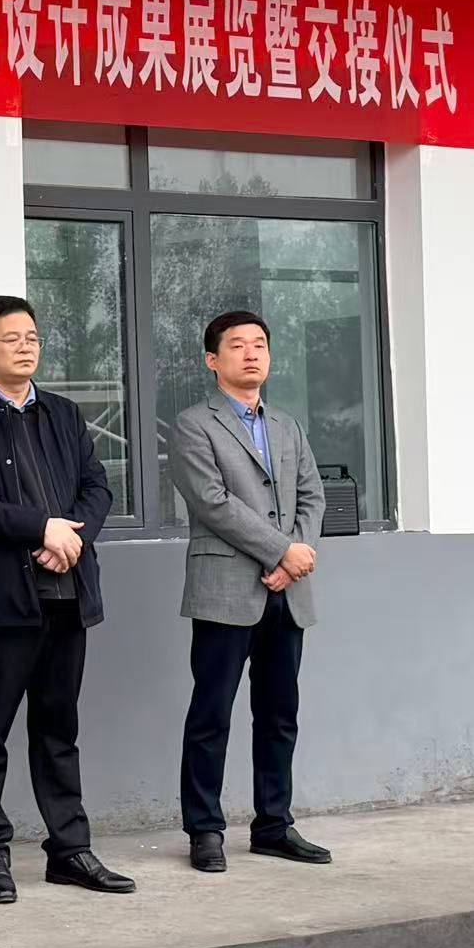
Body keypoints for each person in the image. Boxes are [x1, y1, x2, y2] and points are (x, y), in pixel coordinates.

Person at [0, 295, 136, 905]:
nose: (25, 347)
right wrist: (39, 529)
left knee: (58, 730)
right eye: (11, 338)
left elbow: (97, 487)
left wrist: (72, 539)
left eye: (33, 338)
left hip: (68, 594)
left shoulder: (65, 414)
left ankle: (70, 849)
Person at [171, 310, 329, 874]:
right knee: (211, 714)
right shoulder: (194, 425)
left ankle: (274, 826)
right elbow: (212, 502)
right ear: (212, 360)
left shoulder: (287, 425)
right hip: (225, 590)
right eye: (237, 345)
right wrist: (281, 551)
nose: (251, 353)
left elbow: (312, 496)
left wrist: (295, 556)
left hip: (287, 592)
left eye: (259, 343)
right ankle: (205, 830)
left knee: (280, 714)